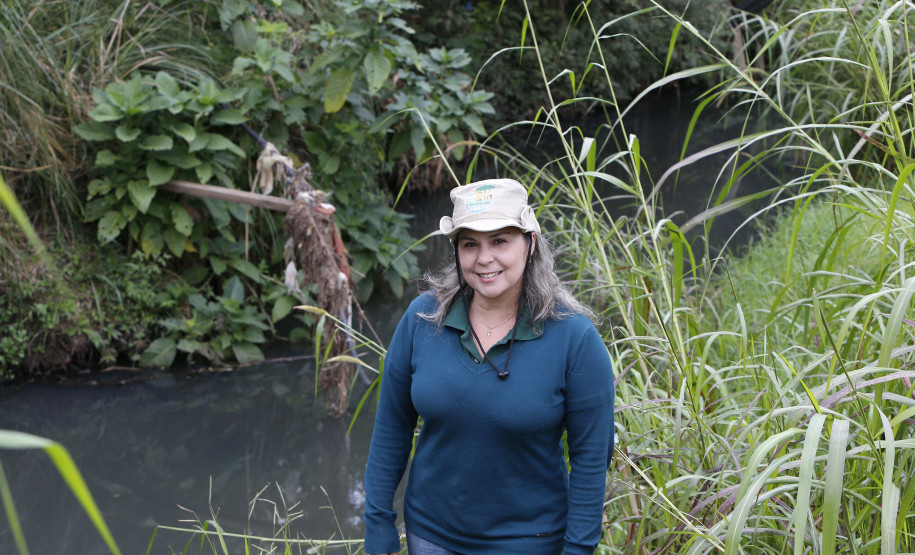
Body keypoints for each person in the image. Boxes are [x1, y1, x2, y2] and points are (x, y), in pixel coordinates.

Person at [363, 178, 614, 555]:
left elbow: (591, 462)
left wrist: (578, 549)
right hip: (430, 537)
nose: (484, 258)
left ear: (529, 243)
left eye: (500, 241)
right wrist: (378, 521)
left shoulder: (574, 338)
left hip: (529, 543)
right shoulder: (422, 319)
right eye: (470, 244)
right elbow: (390, 430)